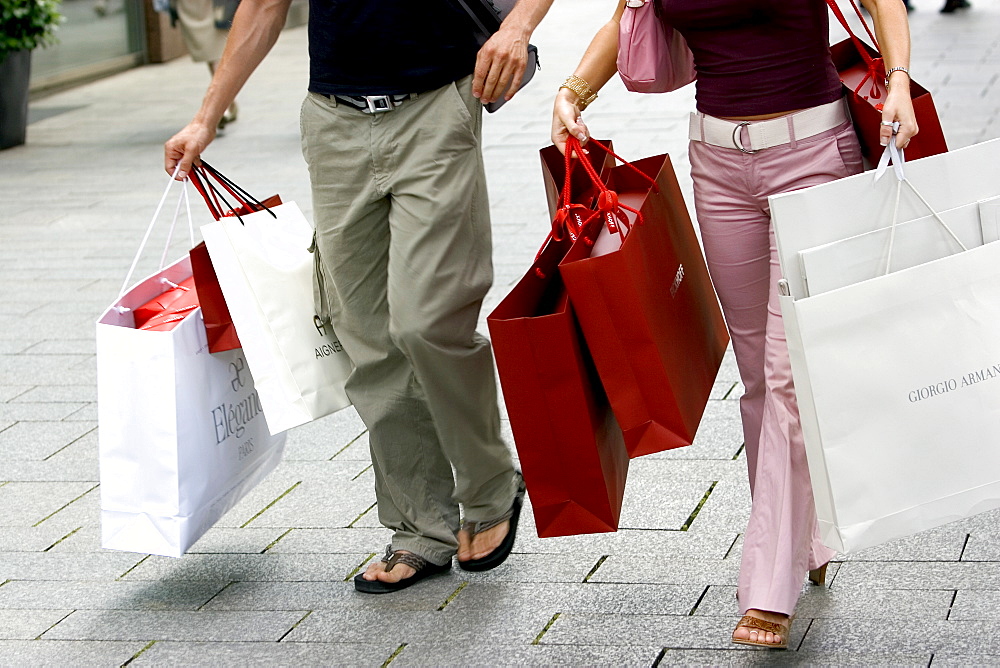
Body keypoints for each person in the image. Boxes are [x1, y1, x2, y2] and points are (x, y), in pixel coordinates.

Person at [552, 0, 917, 649]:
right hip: (718, 165)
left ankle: (769, 588)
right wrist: (572, 92)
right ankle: (802, 533)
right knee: (757, 373)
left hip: (815, 158)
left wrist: (897, 82)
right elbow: (625, 19)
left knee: (787, 374)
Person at [166, 0, 554, 593]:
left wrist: (517, 27)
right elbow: (265, 6)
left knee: (428, 320)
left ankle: (489, 485)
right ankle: (420, 529)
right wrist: (206, 116)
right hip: (335, 123)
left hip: (435, 109)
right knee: (367, 336)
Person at [171, 0, 240, 129]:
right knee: (211, 51)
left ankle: (222, 104)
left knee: (214, 51)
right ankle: (227, 103)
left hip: (216, 6)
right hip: (193, 7)